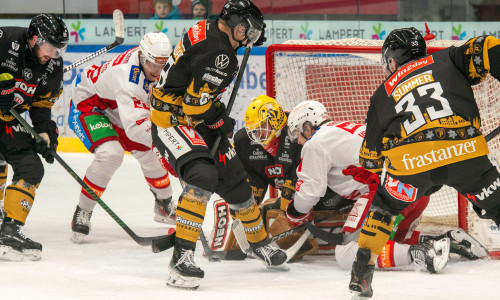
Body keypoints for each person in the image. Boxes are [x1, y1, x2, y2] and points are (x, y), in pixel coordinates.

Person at [348, 27, 500, 299]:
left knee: (384, 207)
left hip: (410, 165)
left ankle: (361, 271)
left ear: (392, 60)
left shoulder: (382, 94)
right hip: (464, 151)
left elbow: (369, 159)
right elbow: (486, 46)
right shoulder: (448, 59)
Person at [149, 0, 282, 290]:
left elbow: (198, 98)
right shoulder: (220, 53)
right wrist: (218, 120)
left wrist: (215, 115)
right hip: (172, 121)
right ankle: (181, 256)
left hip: (189, 117)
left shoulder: (210, 31)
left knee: (236, 180)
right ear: (236, 24)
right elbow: (196, 106)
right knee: (203, 175)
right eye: (250, 30)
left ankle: (257, 243)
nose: (251, 37)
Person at [284, 101, 488, 272]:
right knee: (397, 237)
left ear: (307, 127)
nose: (299, 142)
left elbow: (311, 191)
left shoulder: (315, 142)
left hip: (386, 193)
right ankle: (448, 240)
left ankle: (422, 252)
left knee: (346, 253)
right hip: (415, 191)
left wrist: (294, 212)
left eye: (297, 135)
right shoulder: (345, 131)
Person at [68, 32, 175, 243]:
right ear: (143, 57)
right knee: (111, 154)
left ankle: (164, 205)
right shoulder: (128, 78)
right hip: (91, 104)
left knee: (151, 156)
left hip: (121, 108)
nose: (157, 70)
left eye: (162, 64)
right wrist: (169, 148)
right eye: (153, 64)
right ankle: (83, 210)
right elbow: (136, 128)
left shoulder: (160, 64)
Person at [0, 14, 68, 260]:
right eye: (50, 47)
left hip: (7, 121)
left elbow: (40, 106)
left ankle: (10, 229)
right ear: (34, 38)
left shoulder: (52, 65)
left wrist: (46, 133)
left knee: (31, 167)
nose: (53, 54)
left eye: (59, 49)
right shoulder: (5, 39)